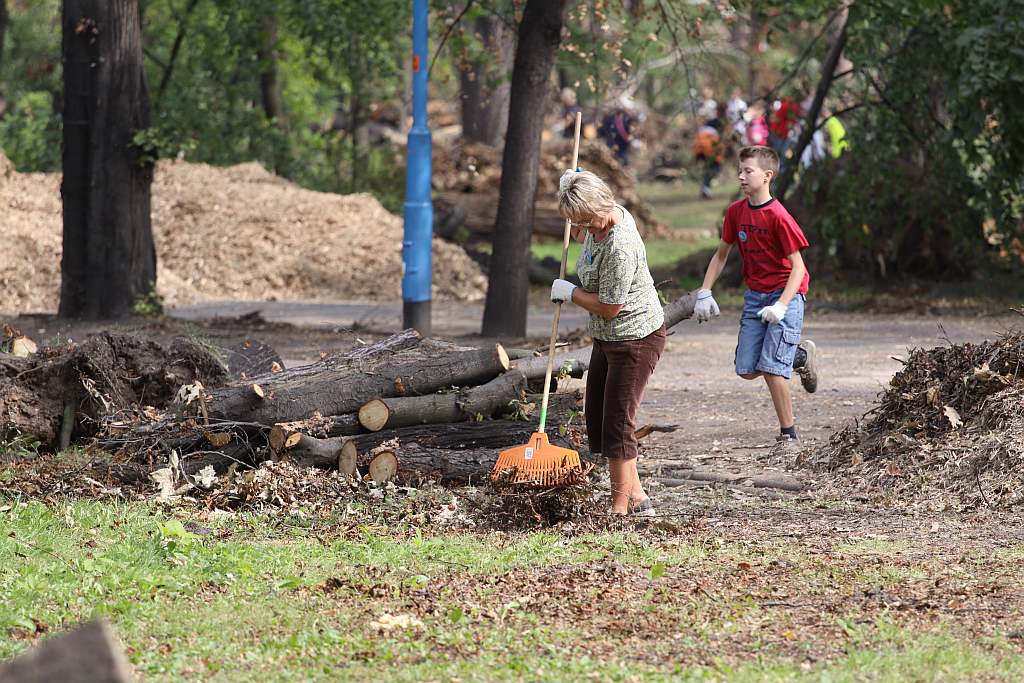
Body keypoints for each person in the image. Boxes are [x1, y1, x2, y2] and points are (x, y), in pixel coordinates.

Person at [550, 170, 666, 515]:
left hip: (635, 338)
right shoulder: (600, 211)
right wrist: (568, 182)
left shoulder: (620, 245)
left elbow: (610, 307)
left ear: (602, 205)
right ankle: (639, 497)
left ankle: (618, 508)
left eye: (587, 221)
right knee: (599, 419)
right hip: (607, 338)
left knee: (618, 424)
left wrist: (570, 293)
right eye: (578, 224)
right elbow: (581, 188)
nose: (586, 231)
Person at [693, 145, 820, 456]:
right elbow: (722, 254)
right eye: (740, 170)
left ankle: (788, 435)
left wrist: (782, 306)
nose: (741, 176)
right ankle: (800, 357)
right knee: (747, 369)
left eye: (747, 171)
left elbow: (799, 267)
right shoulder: (736, 212)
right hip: (755, 295)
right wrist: (705, 290)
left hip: (784, 292)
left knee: (774, 369)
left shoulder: (778, 217)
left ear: (767, 176)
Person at [692, 102, 727, 199]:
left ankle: (705, 189)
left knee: (709, 169)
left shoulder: (709, 123)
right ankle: (706, 189)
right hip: (710, 148)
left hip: (700, 148)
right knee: (715, 168)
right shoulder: (720, 122)